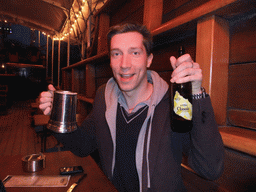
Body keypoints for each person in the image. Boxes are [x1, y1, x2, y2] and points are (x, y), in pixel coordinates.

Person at [39, 23, 224, 192]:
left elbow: (210, 168)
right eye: (116, 54)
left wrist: (197, 94)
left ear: (149, 59)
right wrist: (57, 117)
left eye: (135, 53)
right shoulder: (104, 98)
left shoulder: (173, 104)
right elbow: (83, 145)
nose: (124, 65)